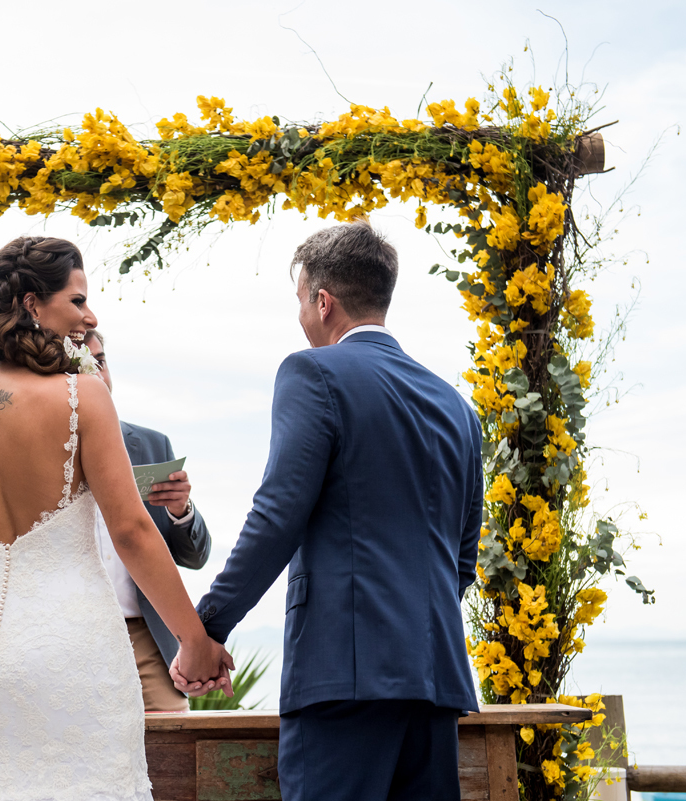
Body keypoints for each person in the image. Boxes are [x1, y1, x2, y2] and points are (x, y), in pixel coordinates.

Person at [0, 236, 232, 801]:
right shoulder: (83, 395)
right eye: (78, 300)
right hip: (74, 656)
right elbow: (131, 531)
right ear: (32, 304)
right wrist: (195, 641)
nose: (91, 316)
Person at [172, 221, 482, 801]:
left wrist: (207, 627)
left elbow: (277, 515)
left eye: (300, 302)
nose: (300, 317)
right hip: (435, 680)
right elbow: (463, 559)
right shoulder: (456, 406)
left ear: (323, 301)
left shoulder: (311, 372)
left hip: (343, 677)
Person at [84, 329, 211, 712]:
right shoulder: (38, 452)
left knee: (173, 741)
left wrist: (180, 510)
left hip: (148, 637)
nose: (96, 374)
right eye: (83, 365)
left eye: (100, 362)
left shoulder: (153, 445)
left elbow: (194, 557)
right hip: (72, 636)